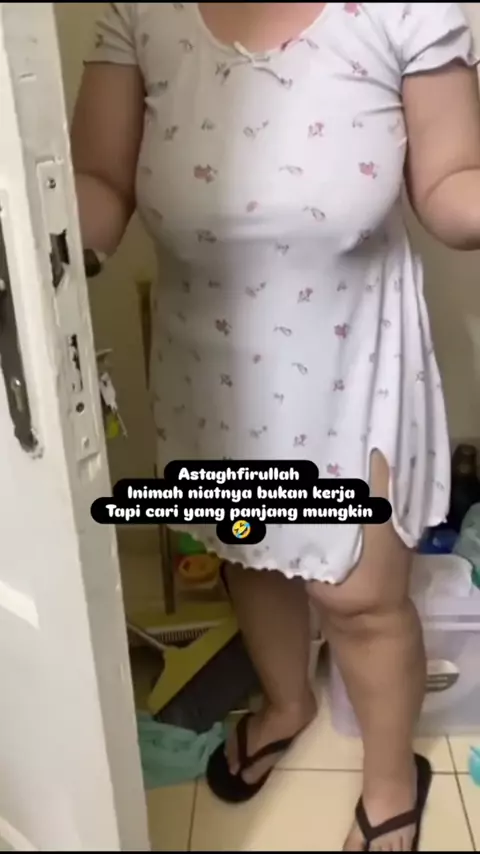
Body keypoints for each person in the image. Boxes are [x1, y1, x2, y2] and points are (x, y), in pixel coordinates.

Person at [72, 3, 480, 849]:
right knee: (246, 551)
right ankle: (288, 704)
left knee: (360, 600)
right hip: (210, 361)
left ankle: (390, 779)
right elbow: (99, 182)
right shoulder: (138, 9)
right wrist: (42, 241)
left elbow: (449, 183)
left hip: (353, 356)